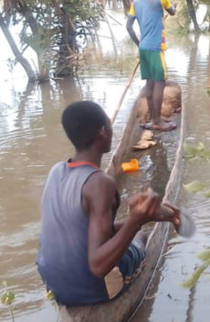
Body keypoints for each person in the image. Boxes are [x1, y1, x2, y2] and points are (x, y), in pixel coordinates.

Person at [37, 101, 181, 306]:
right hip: (90, 290)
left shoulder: (56, 171)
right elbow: (98, 266)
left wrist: (140, 218)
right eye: (110, 126)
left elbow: (85, 231)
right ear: (103, 133)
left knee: (128, 231)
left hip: (52, 284)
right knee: (141, 237)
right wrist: (136, 222)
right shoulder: (100, 183)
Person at [126, 0, 177, 131]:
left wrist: (139, 44)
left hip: (144, 48)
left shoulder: (136, 3)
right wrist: (174, 5)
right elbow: (173, 11)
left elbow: (128, 27)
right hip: (155, 48)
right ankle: (157, 122)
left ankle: (155, 119)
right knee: (159, 84)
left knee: (149, 84)